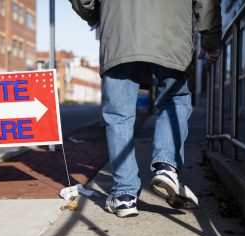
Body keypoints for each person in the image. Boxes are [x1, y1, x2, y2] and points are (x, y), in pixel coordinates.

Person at [69, 0, 221, 217]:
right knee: (174, 99)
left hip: (120, 30)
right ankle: (166, 167)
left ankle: (124, 195)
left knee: (119, 115)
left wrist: (96, 14)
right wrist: (211, 36)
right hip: (172, 30)